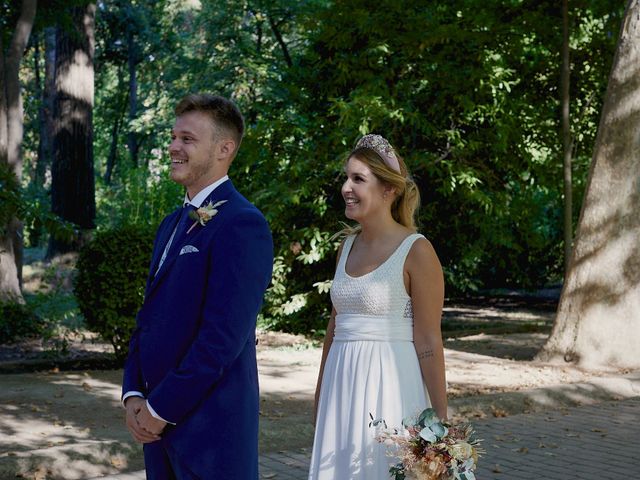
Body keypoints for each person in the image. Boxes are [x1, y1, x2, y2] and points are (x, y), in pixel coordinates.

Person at [121, 93, 273, 479]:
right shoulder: (171, 223)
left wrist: (160, 410)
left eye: (187, 139)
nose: (173, 147)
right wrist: (134, 393)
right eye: (174, 137)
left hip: (210, 439)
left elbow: (222, 339)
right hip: (157, 435)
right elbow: (149, 317)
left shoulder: (243, 223)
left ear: (224, 149)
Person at [308, 134, 447, 479]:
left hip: (391, 387)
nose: (346, 187)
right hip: (342, 389)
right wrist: (321, 393)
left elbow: (429, 339)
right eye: (346, 177)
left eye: (358, 179)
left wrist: (441, 426)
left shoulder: (416, 251)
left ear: (389, 190)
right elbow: (334, 327)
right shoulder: (346, 248)